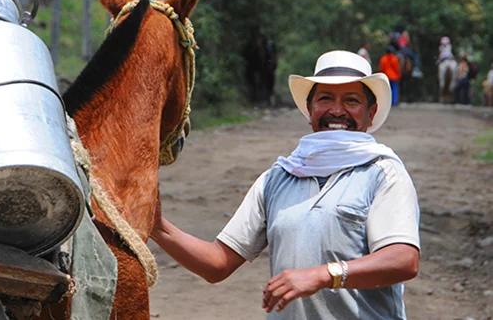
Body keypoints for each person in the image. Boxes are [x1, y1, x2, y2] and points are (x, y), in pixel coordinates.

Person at [151, 50, 420, 319]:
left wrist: (324, 275)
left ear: (370, 113)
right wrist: (157, 227)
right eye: (325, 98)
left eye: (351, 101)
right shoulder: (277, 177)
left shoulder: (384, 173)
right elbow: (217, 263)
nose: (337, 110)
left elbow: (403, 259)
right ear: (310, 109)